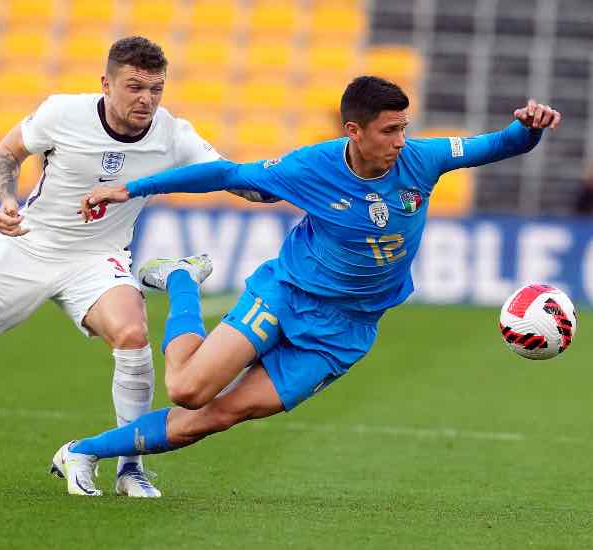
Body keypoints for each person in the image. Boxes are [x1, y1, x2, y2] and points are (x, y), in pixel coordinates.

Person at [49, 76, 562, 496]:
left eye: (404, 128)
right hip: (288, 293)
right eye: (389, 131)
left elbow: (497, 144)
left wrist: (530, 129)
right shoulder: (309, 168)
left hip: (346, 331)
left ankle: (82, 451)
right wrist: (131, 188)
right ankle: (183, 282)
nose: (400, 142)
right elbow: (225, 173)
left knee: (218, 416)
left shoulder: (422, 160)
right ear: (354, 131)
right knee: (187, 390)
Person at [0, 36, 262, 497]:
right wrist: (8, 200)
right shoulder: (62, 113)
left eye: (156, 88)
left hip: (98, 258)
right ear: (106, 83)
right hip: (29, 245)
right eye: (134, 87)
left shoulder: (174, 135)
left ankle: (131, 470)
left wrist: (286, 184)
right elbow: (8, 154)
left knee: (132, 334)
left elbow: (234, 178)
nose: (146, 99)